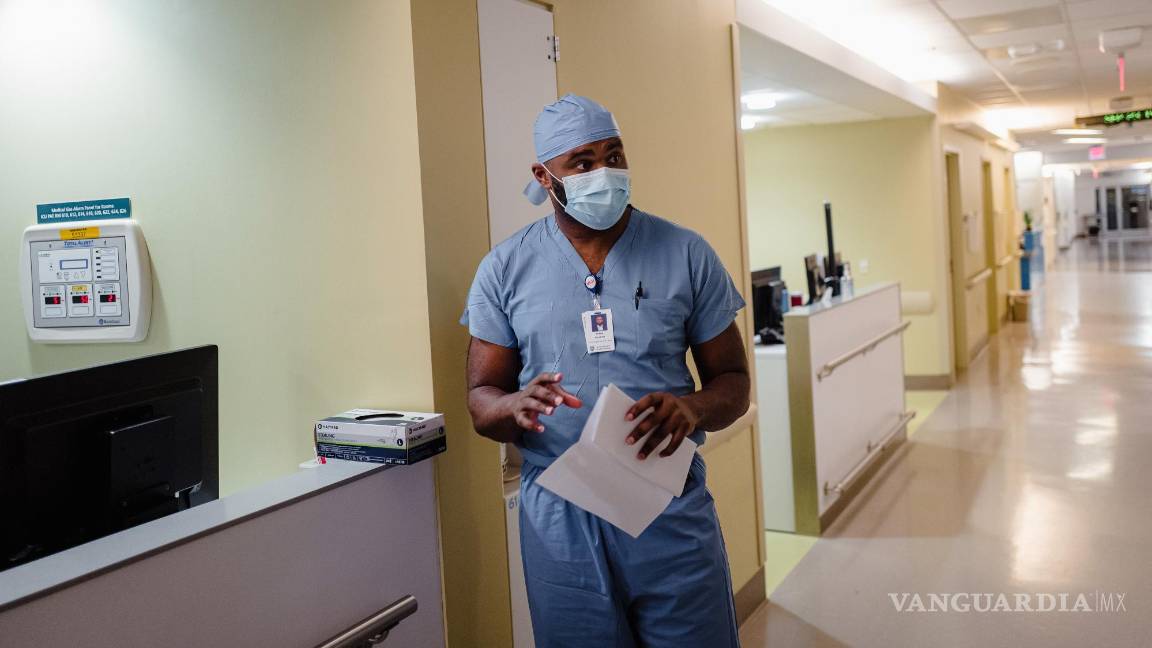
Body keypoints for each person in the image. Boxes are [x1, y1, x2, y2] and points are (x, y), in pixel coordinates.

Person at [461, 94, 749, 647]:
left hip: (666, 504)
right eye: (584, 162)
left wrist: (692, 407)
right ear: (545, 176)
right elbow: (480, 398)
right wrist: (511, 406)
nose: (605, 173)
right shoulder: (504, 269)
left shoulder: (685, 253)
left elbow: (733, 381)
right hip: (561, 517)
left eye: (614, 155)